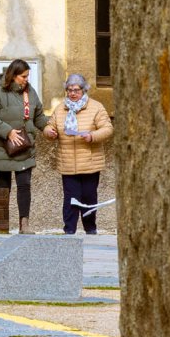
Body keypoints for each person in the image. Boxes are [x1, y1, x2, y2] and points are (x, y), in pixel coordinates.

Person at [0, 60, 49, 231]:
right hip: (2, 148)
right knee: (3, 188)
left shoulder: (30, 92)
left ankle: (24, 223)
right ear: (13, 75)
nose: (26, 79)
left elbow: (38, 115)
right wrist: (8, 131)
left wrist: (47, 128)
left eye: (27, 76)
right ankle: (0, 224)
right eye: (23, 76)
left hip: (24, 148)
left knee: (24, 185)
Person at [42, 72, 113, 234]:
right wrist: (49, 132)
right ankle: (69, 230)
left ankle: (90, 229)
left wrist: (92, 136)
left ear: (84, 90)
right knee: (71, 199)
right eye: (69, 90)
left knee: (89, 197)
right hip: (67, 163)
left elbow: (108, 128)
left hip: (89, 162)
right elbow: (49, 126)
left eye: (76, 90)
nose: (72, 93)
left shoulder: (96, 107)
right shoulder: (61, 109)